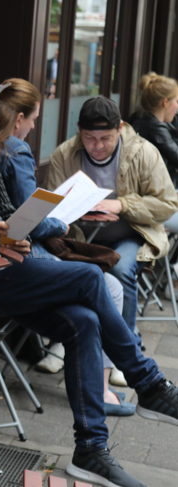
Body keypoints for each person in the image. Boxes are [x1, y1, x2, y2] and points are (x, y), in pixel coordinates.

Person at [0, 62, 178, 487]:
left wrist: (16, 231)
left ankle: (91, 450)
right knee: (90, 279)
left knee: (82, 320)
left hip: (1, 270)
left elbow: (8, 209)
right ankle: (147, 382)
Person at [0, 78, 134, 416]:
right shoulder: (15, 148)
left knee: (87, 315)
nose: (35, 127)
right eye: (33, 119)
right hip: (10, 265)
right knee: (103, 282)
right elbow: (25, 217)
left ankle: (96, 398)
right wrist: (59, 223)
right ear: (19, 117)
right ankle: (127, 376)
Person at [46, 96, 178, 350]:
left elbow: (167, 203)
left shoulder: (143, 152)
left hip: (130, 233)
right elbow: (53, 206)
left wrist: (123, 205)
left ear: (120, 129)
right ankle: (65, 340)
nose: (97, 146)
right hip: (78, 236)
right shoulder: (64, 154)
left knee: (119, 269)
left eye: (105, 138)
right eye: (89, 138)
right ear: (79, 131)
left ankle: (125, 348)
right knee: (62, 268)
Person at [127, 72, 178, 185]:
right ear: (165, 102)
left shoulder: (141, 119)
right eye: (176, 101)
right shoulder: (155, 129)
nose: (177, 107)